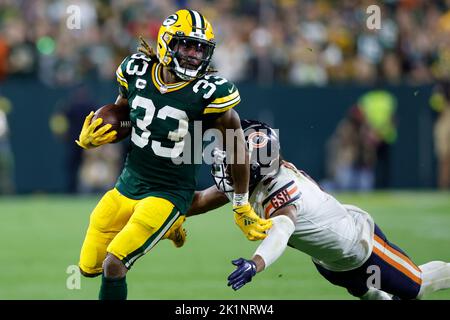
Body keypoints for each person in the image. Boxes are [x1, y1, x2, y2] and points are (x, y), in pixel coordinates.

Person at [76, 9, 272, 300]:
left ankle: (173, 219)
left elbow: (235, 144)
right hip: (128, 184)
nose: (194, 55)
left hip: (169, 193)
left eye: (200, 48)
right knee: (87, 267)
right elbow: (128, 118)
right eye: (187, 45)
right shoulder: (137, 70)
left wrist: (241, 204)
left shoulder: (209, 91)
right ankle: (172, 228)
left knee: (113, 264)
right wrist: (97, 137)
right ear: (167, 43)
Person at [187, 119, 450, 300]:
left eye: (235, 162)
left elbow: (282, 229)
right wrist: (159, 208)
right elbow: (199, 201)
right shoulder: (252, 177)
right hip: (331, 264)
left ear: (255, 167)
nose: (226, 169)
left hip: (362, 247)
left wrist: (255, 264)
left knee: (415, 286)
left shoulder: (282, 188)